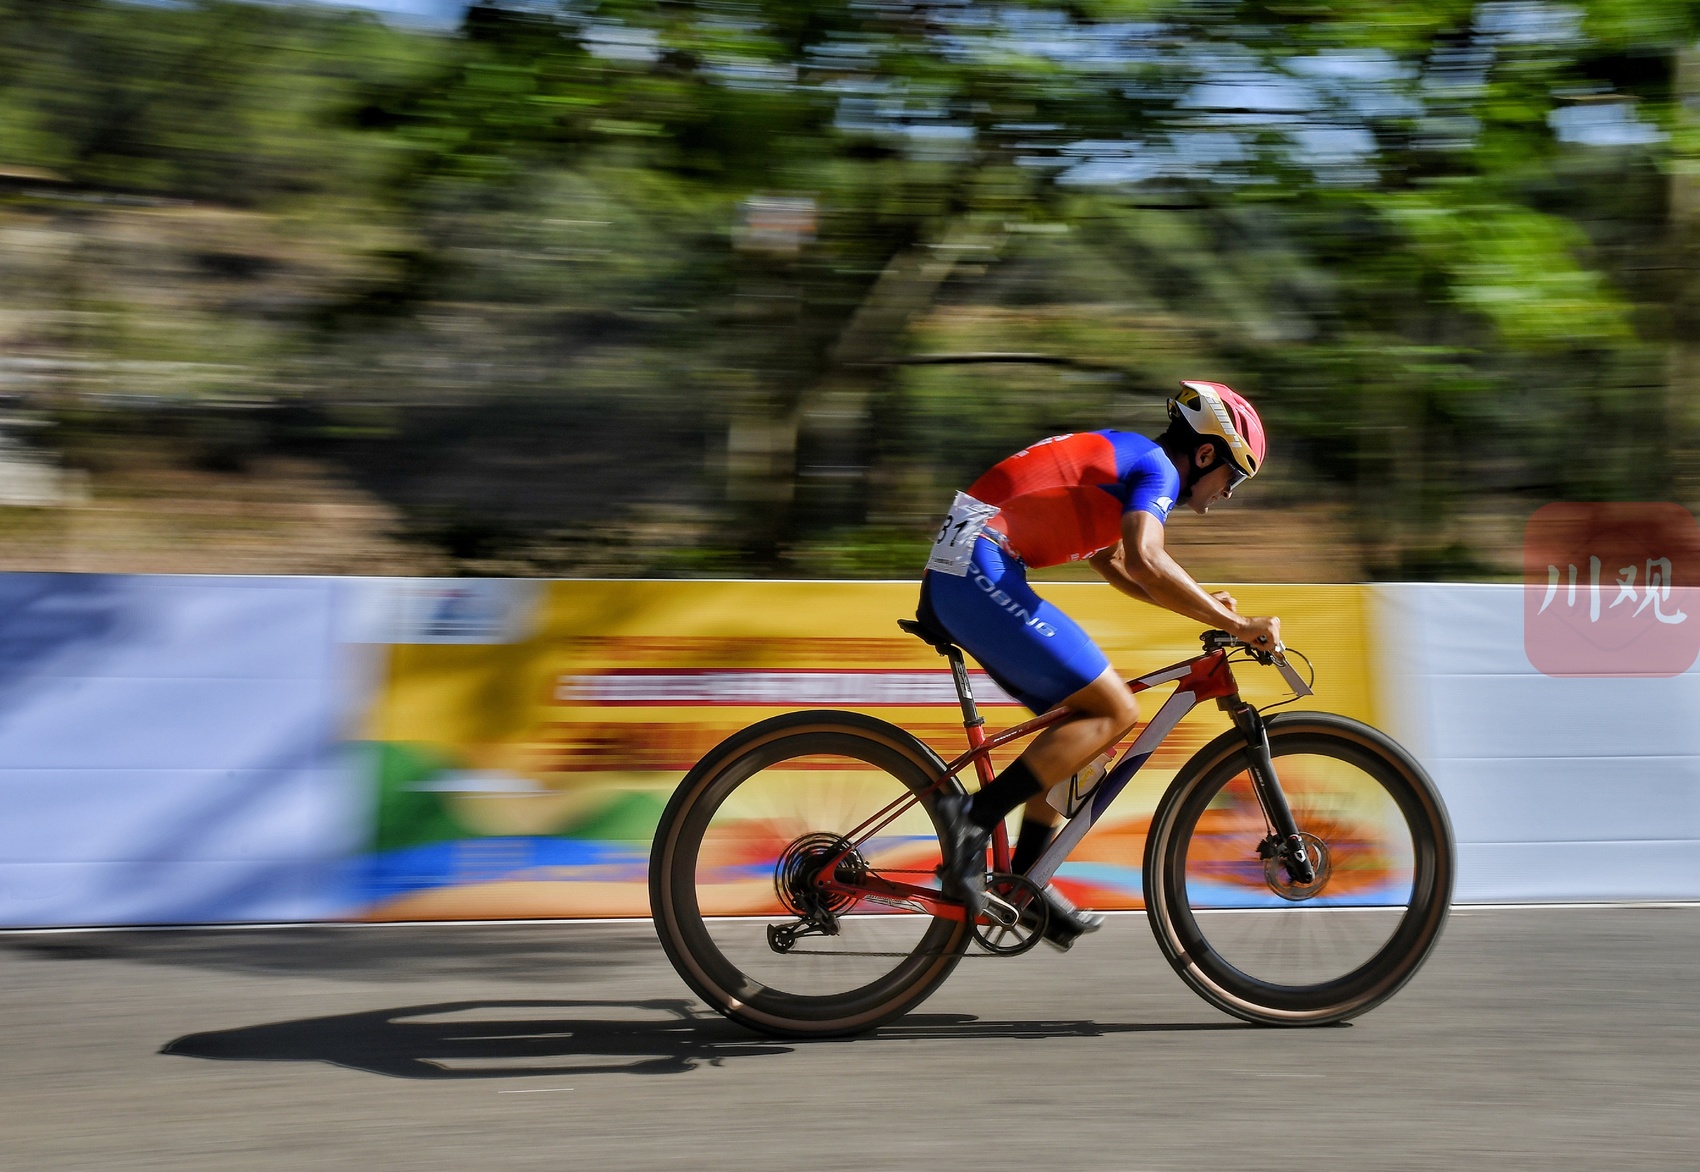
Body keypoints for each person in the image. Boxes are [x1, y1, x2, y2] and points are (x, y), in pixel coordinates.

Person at [919, 380, 1281, 949]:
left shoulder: (1134, 460)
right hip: (976, 565)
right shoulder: (1156, 467)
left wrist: (1206, 606)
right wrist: (1236, 625)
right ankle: (971, 818)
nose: (1229, 493)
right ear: (1205, 453)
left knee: (1083, 728)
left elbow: (1116, 563)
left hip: (965, 564)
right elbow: (1147, 559)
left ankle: (1024, 882)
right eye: (1232, 476)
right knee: (1114, 709)